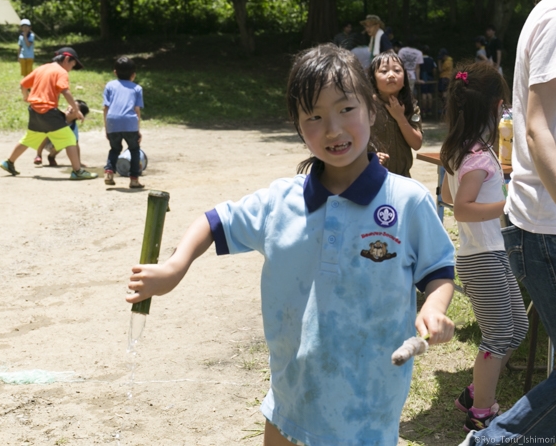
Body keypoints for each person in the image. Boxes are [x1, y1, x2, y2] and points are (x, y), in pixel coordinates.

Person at [126, 43, 456, 446]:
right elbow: (215, 221)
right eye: (314, 117)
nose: (333, 129)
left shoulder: (406, 201)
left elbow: (438, 271)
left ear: (372, 109)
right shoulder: (281, 202)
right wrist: (175, 267)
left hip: (368, 404)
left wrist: (434, 309)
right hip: (290, 398)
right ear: (299, 128)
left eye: (345, 109)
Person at [459, 0, 556, 444]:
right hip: (518, 239)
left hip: (516, 237)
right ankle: (484, 427)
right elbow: (537, 128)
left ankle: (481, 418)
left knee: (514, 330)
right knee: (504, 332)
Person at [439, 62, 528, 433]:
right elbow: (460, 207)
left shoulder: (463, 149)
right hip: (484, 257)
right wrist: (509, 205)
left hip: (491, 253)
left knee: (518, 328)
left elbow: (446, 194)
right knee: (496, 336)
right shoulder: (476, 154)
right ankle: (482, 413)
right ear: (496, 105)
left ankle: (477, 390)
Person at [0, 47, 98, 180]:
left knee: (30, 138)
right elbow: (65, 91)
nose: (70, 69)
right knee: (70, 139)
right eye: (72, 65)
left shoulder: (42, 68)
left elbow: (23, 84)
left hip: (34, 109)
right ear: (67, 59)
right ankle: (78, 171)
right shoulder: (61, 72)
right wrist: (76, 109)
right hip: (48, 111)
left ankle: (9, 162)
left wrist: (25, 97)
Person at [368, 50, 423, 177]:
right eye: (384, 71)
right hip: (371, 175)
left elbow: (416, 144)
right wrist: (368, 157)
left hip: (402, 178)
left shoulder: (411, 106)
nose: (391, 75)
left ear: (404, 79)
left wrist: (400, 117)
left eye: (397, 71)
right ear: (373, 79)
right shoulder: (365, 107)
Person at [103, 56, 144, 189]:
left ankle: (109, 172)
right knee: (134, 149)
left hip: (112, 121)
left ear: (115, 72)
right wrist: (137, 130)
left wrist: (107, 128)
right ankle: (134, 179)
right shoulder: (137, 88)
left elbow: (106, 108)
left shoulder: (110, 85)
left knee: (115, 148)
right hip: (130, 122)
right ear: (133, 74)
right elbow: (137, 110)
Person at [34, 100, 90, 167]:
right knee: (46, 133)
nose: (71, 108)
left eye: (75, 108)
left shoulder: (73, 128)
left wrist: (78, 162)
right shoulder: (58, 116)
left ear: (79, 115)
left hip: (54, 143)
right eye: (71, 105)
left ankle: (51, 156)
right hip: (42, 140)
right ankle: (38, 155)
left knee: (66, 141)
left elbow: (76, 145)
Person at [420, 45, 438, 118]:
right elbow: (434, 69)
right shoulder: (431, 59)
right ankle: (429, 110)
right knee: (429, 94)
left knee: (424, 94)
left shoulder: (420, 59)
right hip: (430, 77)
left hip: (422, 78)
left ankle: (423, 110)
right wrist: (433, 76)